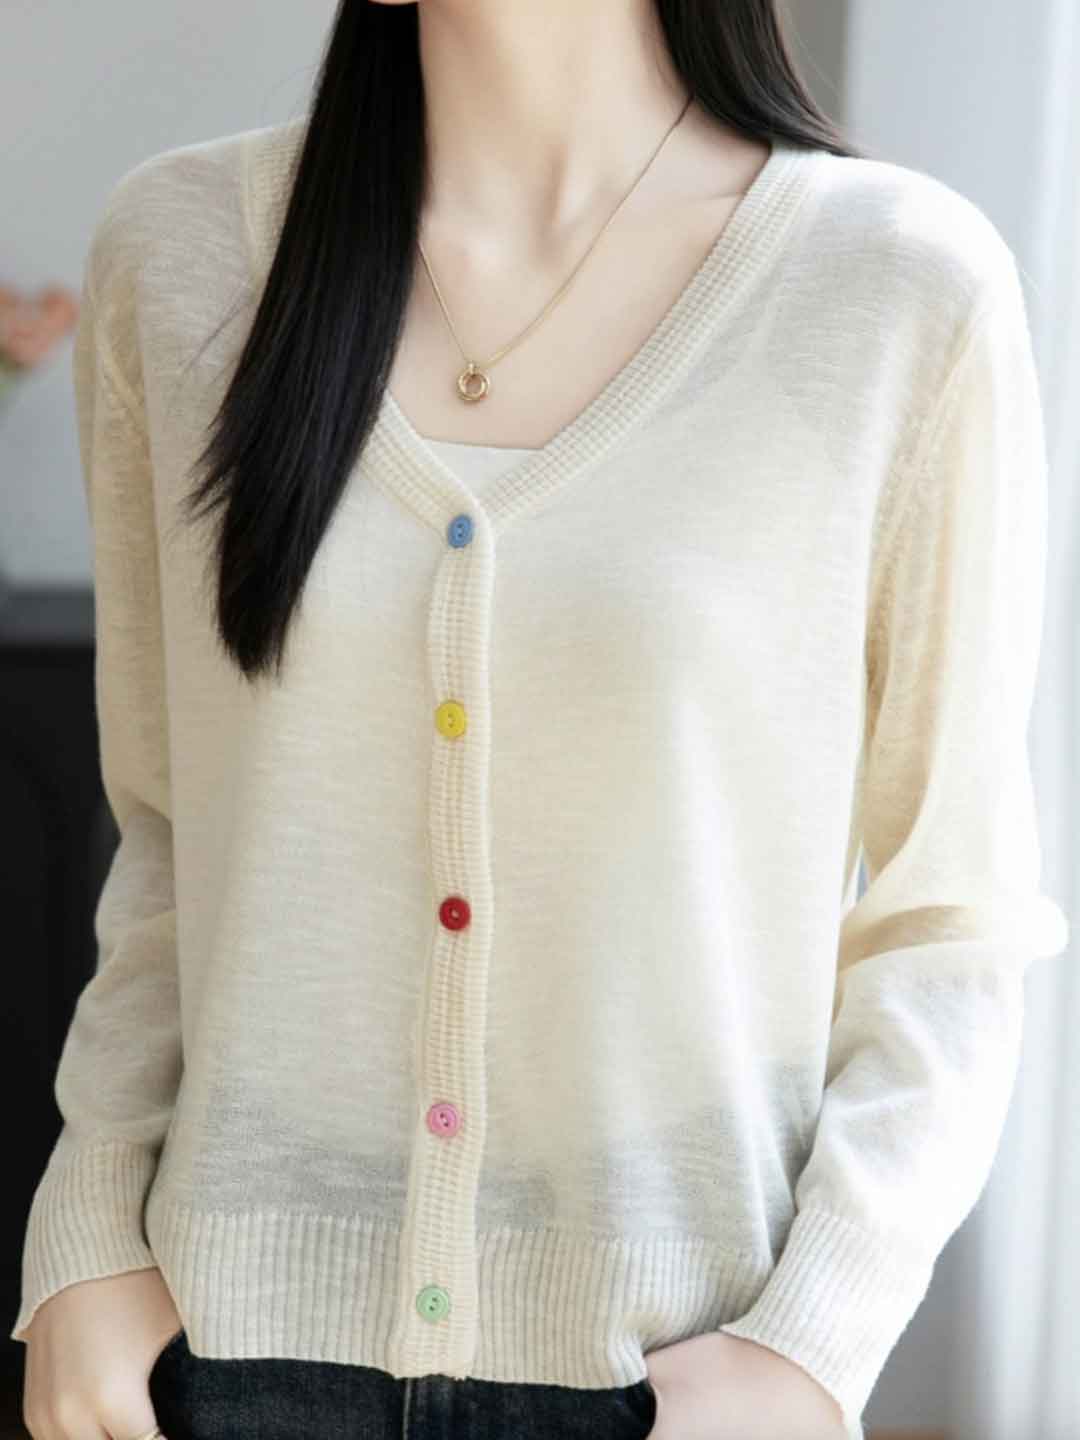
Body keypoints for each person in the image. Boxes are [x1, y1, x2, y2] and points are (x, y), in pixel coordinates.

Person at [13, 0, 1070, 1437]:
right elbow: (167, 840)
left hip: (679, 1370)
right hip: (220, 1351)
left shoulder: (895, 290)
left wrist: (816, 1342)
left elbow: (950, 922)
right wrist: (86, 1227)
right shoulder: (181, 252)